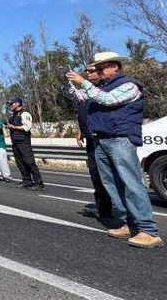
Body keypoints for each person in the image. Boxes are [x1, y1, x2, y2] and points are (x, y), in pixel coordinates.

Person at [67, 52, 163, 249]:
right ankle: (128, 223)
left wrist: (84, 83)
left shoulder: (129, 85)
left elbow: (108, 100)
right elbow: (83, 98)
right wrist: (73, 83)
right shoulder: (101, 87)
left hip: (120, 139)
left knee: (131, 183)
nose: (97, 71)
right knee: (112, 184)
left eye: (101, 67)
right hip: (101, 139)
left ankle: (148, 230)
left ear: (115, 66)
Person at [70, 64, 114, 224]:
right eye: (87, 71)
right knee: (96, 175)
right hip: (90, 139)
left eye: (92, 71)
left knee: (109, 176)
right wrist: (80, 130)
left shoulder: (105, 90)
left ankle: (121, 212)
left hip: (105, 139)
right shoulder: (85, 92)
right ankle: (103, 209)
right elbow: (84, 111)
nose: (88, 74)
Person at [4, 97, 44, 191]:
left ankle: (39, 183)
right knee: (20, 163)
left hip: (24, 142)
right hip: (15, 142)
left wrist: (13, 127)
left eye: (12, 103)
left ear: (18, 104)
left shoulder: (25, 114)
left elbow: (27, 127)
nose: (10, 105)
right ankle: (27, 180)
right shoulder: (12, 116)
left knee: (29, 162)